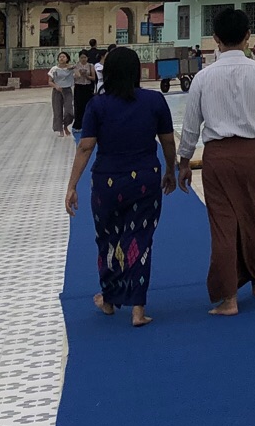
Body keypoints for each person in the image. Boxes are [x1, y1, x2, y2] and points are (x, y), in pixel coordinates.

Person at [176, 8, 255, 316]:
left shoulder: (203, 78)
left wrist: (184, 161)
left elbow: (191, 126)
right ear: (247, 36)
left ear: (215, 39)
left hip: (217, 158)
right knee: (254, 217)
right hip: (252, 155)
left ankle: (229, 299)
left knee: (223, 226)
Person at [64, 47, 175, 328]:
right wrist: (171, 170)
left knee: (108, 239)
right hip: (145, 179)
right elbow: (168, 140)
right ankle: (138, 308)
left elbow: (86, 146)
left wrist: (72, 185)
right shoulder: (154, 100)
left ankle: (109, 299)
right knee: (140, 239)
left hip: (107, 182)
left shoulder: (97, 105)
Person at [48, 52, 75, 135]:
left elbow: (77, 75)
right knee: (57, 110)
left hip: (67, 90)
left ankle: (66, 125)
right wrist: (56, 86)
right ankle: (60, 130)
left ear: (67, 58)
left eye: (63, 56)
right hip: (57, 91)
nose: (61, 58)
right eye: (60, 57)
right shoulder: (54, 69)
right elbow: (50, 81)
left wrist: (73, 68)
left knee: (69, 111)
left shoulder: (71, 69)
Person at [72, 48, 97, 132]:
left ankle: (88, 124)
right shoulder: (76, 66)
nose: (83, 59)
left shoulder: (90, 66)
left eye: (85, 57)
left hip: (87, 87)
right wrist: (79, 73)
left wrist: (86, 75)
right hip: (79, 87)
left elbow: (93, 78)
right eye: (81, 57)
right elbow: (74, 77)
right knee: (78, 106)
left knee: (88, 106)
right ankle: (78, 125)